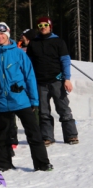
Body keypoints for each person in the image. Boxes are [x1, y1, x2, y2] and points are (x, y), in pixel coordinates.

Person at [0, 22, 52, 172]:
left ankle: (42, 163)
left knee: (33, 132)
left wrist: (34, 100)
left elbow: (29, 77)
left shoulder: (19, 53)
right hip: (0, 100)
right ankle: (4, 164)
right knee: (3, 135)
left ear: (7, 34)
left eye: (1, 34)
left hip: (21, 99)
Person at [26, 16, 79, 145]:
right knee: (44, 112)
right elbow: (29, 64)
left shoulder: (59, 42)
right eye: (40, 26)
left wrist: (67, 79)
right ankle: (47, 137)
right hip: (40, 83)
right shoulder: (33, 43)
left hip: (57, 81)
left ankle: (71, 135)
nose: (43, 27)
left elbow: (65, 61)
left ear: (50, 26)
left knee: (63, 109)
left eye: (45, 25)